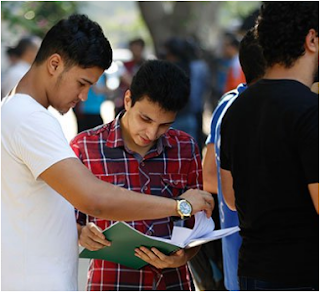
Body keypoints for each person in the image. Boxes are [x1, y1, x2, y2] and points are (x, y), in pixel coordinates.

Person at [1, 15, 213, 291]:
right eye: (82, 83)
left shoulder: (16, 111)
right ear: (54, 64)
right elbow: (94, 200)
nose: (85, 96)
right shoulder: (31, 120)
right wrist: (178, 206)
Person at [71, 59, 203, 291]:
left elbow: (198, 224)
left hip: (173, 282)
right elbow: (66, 219)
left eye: (164, 125)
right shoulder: (85, 148)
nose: (152, 133)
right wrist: (81, 233)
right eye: (146, 119)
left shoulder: (185, 147)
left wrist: (183, 256)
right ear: (128, 99)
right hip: (112, 282)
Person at [220, 2, 319, 290]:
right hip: (303, 273)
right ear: (311, 40)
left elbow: (230, 196)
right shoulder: (311, 110)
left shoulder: (235, 109)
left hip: (253, 268)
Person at [202, 28, 266, 291]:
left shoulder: (227, 103)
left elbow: (208, 178)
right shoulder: (272, 111)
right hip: (270, 265)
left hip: (234, 260)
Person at [114, 38, 146, 116]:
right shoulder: (125, 65)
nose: (135, 51)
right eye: (133, 48)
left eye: (137, 48)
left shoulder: (147, 66)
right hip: (124, 102)